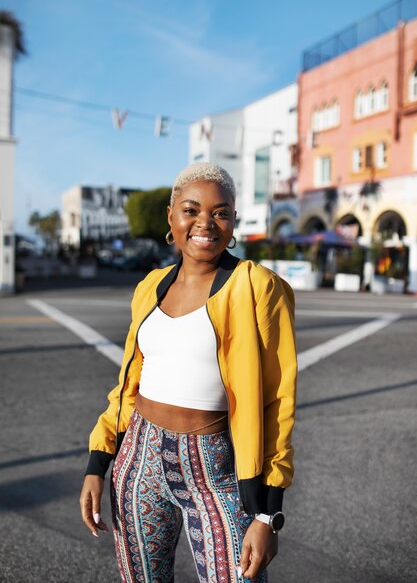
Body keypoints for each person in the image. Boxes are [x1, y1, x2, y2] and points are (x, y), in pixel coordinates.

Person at [80, 162, 298, 582]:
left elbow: (278, 401)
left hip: (216, 469)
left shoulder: (257, 287)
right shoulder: (150, 286)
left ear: (233, 220)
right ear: (171, 216)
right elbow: (127, 386)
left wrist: (268, 513)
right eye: (191, 210)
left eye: (221, 212)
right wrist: (97, 464)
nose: (206, 223)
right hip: (137, 459)